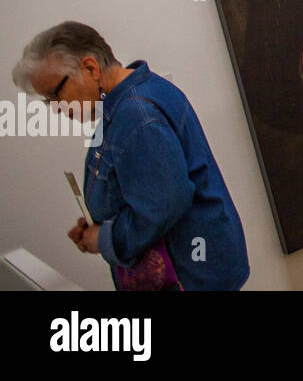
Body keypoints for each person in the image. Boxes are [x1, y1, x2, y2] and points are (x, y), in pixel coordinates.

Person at [13, 22, 250, 289]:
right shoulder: (132, 95)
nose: (56, 108)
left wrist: (102, 238)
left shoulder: (138, 116)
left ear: (90, 68)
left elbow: (162, 206)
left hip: (191, 274)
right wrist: (98, 223)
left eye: (55, 95)